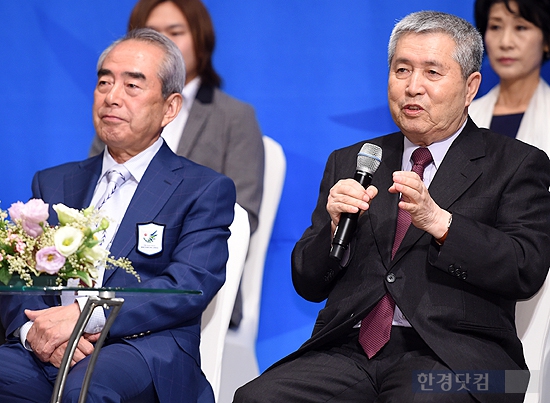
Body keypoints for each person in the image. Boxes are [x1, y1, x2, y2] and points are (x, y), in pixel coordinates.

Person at [234, 10, 550, 403]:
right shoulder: (354, 160)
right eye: (402, 70)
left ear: (470, 87)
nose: (412, 87)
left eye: (432, 73)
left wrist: (441, 222)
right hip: (350, 350)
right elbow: (308, 283)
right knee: (257, 398)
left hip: (463, 360)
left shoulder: (517, 163)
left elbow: (526, 268)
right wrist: (333, 229)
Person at [0, 28, 235, 403]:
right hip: (48, 347)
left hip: (143, 348)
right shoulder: (54, 182)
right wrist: (33, 333)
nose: (111, 97)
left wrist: (84, 315)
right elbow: (16, 276)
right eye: (104, 82)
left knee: (85, 388)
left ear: (170, 107)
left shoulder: (202, 189)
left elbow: (188, 286)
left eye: (132, 86)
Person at [89, 0, 264, 235]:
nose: (164, 42)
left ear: (201, 40)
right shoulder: (117, 109)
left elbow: (243, 216)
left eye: (175, 32)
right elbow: (93, 192)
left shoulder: (234, 117)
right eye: (152, 34)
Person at [470, 0, 550, 153]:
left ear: (547, 40)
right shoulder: (465, 117)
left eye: (520, 27)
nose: (505, 42)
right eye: (495, 27)